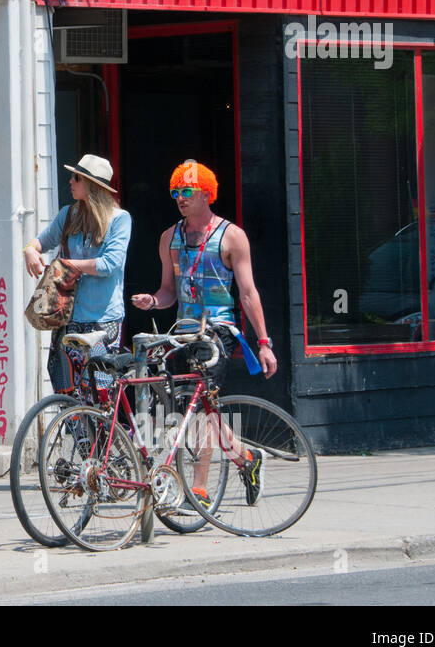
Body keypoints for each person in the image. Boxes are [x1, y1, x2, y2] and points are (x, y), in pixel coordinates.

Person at [130, 160, 275, 504]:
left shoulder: (231, 236)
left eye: (187, 191)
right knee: (188, 410)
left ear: (206, 193)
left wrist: (264, 342)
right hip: (182, 332)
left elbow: (248, 292)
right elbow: (168, 291)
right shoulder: (170, 237)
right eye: (175, 192)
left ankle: (199, 488)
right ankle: (246, 457)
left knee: (199, 408)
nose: (179, 198)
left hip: (217, 333)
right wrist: (152, 301)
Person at [23, 154, 132, 396]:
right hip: (68, 318)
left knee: (100, 392)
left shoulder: (120, 219)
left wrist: (67, 264)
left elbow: (109, 264)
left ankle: (105, 435)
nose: (70, 182)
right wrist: (30, 250)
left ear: (91, 185)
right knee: (67, 392)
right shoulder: (68, 215)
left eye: (76, 177)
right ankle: (79, 436)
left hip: (104, 321)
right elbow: (41, 242)